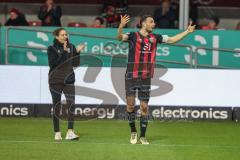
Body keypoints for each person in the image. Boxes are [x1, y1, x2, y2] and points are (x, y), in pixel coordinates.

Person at [117, 14, 195, 144]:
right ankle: (133, 131)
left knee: (144, 107)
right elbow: (119, 37)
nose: (154, 24)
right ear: (143, 23)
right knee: (130, 105)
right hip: (131, 75)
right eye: (151, 22)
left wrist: (187, 31)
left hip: (146, 77)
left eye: (153, 22)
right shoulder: (133, 36)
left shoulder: (155, 37)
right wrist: (120, 26)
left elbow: (172, 40)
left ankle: (142, 136)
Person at [47, 28, 85, 141]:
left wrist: (78, 52)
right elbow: (54, 64)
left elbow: (76, 64)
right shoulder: (51, 48)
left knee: (71, 105)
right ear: (57, 37)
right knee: (57, 107)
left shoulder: (71, 47)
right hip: (55, 81)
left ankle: (70, 132)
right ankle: (57, 132)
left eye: (66, 34)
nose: (65, 37)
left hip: (69, 81)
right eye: (62, 35)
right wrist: (64, 52)